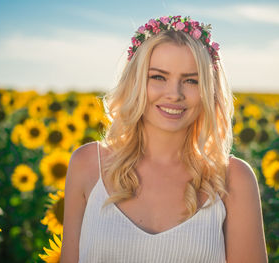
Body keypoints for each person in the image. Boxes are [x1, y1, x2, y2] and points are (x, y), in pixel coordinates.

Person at [60, 15, 268, 263]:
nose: (174, 94)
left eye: (191, 80)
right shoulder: (87, 165)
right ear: (136, 81)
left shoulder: (234, 179)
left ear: (208, 91)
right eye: (158, 77)